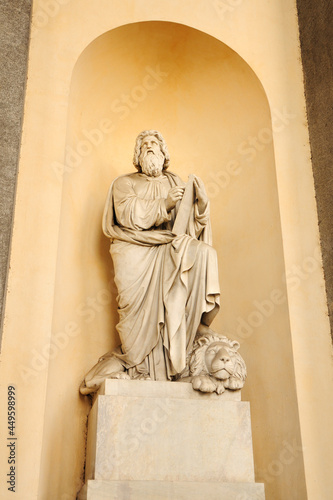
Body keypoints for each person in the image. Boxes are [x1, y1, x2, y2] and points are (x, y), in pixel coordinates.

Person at [80, 130, 220, 394]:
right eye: (144, 145)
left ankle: (193, 331)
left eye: (155, 144)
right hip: (134, 248)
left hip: (169, 247)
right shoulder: (124, 183)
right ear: (138, 155)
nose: (150, 147)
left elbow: (187, 226)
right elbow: (127, 214)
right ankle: (138, 365)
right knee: (133, 308)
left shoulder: (174, 182)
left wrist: (201, 205)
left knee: (204, 253)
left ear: (164, 153)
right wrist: (163, 204)